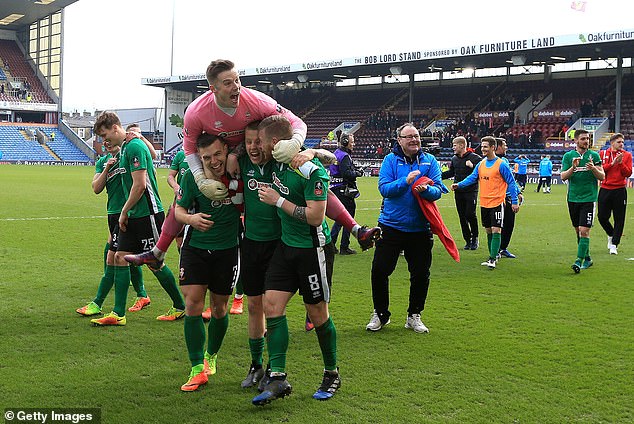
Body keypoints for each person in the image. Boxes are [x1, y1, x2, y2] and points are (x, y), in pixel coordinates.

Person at [125, 59, 380, 268]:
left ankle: (356, 229)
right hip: (226, 159)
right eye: (228, 83)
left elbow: (297, 123)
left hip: (259, 152)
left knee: (307, 180)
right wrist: (200, 178)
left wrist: (296, 144)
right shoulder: (195, 112)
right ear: (213, 88)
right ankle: (158, 253)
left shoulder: (256, 100)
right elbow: (190, 149)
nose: (236, 86)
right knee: (185, 192)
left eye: (237, 79)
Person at [253, 115, 341, 405]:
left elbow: (316, 217)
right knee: (272, 306)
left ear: (275, 143)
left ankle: (331, 373)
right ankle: (277, 377)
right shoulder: (278, 161)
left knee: (317, 315)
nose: (258, 147)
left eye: (261, 142)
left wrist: (278, 200)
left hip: (312, 250)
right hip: (286, 247)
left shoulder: (308, 170)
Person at [90, 111, 186, 326]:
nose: (104, 141)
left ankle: (180, 306)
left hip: (148, 214)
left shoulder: (134, 146)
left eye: (105, 136)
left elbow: (140, 185)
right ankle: (118, 314)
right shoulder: (126, 147)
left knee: (154, 263)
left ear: (115, 128)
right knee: (119, 258)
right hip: (134, 214)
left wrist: (123, 211)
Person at [175, 133, 243, 392]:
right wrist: (191, 220)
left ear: (226, 149)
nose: (213, 161)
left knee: (219, 309)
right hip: (196, 248)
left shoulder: (237, 172)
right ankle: (195, 366)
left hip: (228, 249)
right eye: (206, 157)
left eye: (217, 154)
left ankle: (211, 355)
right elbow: (178, 210)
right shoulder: (192, 178)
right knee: (192, 303)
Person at [367, 123, 447, 333]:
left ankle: (414, 315)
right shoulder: (390, 160)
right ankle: (380, 314)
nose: (414, 140)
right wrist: (406, 181)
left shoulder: (430, 160)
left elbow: (439, 190)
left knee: (421, 274)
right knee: (380, 271)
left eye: (417, 136)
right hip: (391, 225)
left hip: (420, 228)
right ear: (399, 140)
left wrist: (427, 190)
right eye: (409, 137)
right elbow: (384, 189)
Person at [76, 139, 151, 317]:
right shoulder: (103, 162)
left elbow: (144, 174)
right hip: (113, 213)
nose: (107, 145)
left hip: (126, 212)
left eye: (110, 140)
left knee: (116, 255)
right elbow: (96, 188)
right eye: (105, 142)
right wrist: (107, 168)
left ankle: (100, 303)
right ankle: (142, 296)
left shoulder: (127, 156)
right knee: (122, 255)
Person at [452, 136, 519, 269]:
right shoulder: (481, 164)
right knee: (488, 231)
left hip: (498, 202)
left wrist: (515, 201)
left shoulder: (501, 164)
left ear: (493, 148)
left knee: (496, 229)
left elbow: (511, 182)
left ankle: (493, 258)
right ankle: (492, 255)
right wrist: (459, 185)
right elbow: (472, 178)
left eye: (485, 147)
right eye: (482, 146)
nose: (482, 149)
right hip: (484, 202)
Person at [560, 129, 605, 273]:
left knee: (584, 231)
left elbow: (602, 176)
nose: (586, 141)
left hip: (589, 198)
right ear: (576, 141)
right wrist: (573, 167)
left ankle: (578, 261)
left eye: (588, 138)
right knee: (577, 231)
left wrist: (593, 169)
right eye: (583, 139)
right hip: (573, 198)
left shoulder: (594, 155)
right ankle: (588, 258)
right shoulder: (568, 156)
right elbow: (563, 177)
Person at [442, 136, 482, 250]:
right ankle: (467, 240)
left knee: (470, 214)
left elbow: (482, 172)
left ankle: (475, 238)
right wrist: (437, 177)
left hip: (471, 191)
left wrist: (472, 166)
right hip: (458, 191)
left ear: (461, 145)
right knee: (462, 216)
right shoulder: (454, 158)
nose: (453, 148)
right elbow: (451, 172)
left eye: (454, 145)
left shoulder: (475, 158)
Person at [329, 132, 363, 255]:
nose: (353, 144)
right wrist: (357, 173)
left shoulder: (336, 153)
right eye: (352, 141)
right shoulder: (345, 156)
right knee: (347, 218)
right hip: (344, 191)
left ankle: (332, 244)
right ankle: (344, 246)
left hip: (335, 188)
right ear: (345, 142)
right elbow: (347, 174)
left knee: (340, 218)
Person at [598, 133, 632, 255]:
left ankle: (614, 244)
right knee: (602, 217)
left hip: (619, 190)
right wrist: (612, 164)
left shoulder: (626, 155)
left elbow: (628, 173)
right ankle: (611, 234)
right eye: (619, 142)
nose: (621, 144)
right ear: (612, 143)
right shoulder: (603, 154)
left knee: (619, 218)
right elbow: (600, 170)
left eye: (622, 142)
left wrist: (621, 163)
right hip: (605, 189)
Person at [495, 138, 523, 259]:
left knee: (509, 224)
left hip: (509, 197)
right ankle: (495, 250)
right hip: (499, 198)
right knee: (496, 226)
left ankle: (503, 248)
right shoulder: (492, 162)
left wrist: (518, 192)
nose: (506, 147)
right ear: (497, 147)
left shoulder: (505, 160)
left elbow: (511, 180)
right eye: (504, 145)